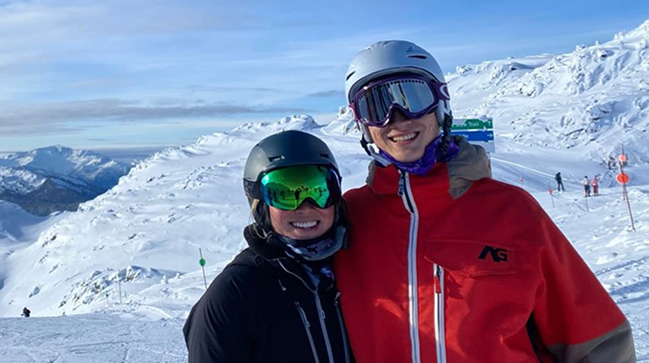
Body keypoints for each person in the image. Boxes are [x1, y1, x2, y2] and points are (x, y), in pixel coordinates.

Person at [335, 40, 634, 363]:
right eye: (376, 106)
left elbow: (597, 341)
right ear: (362, 124)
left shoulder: (512, 210)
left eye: (413, 98)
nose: (397, 118)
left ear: (440, 104)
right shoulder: (348, 219)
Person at [183, 130, 353, 363]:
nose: (305, 207)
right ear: (260, 205)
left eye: (319, 191)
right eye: (285, 195)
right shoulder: (234, 294)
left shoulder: (352, 270)